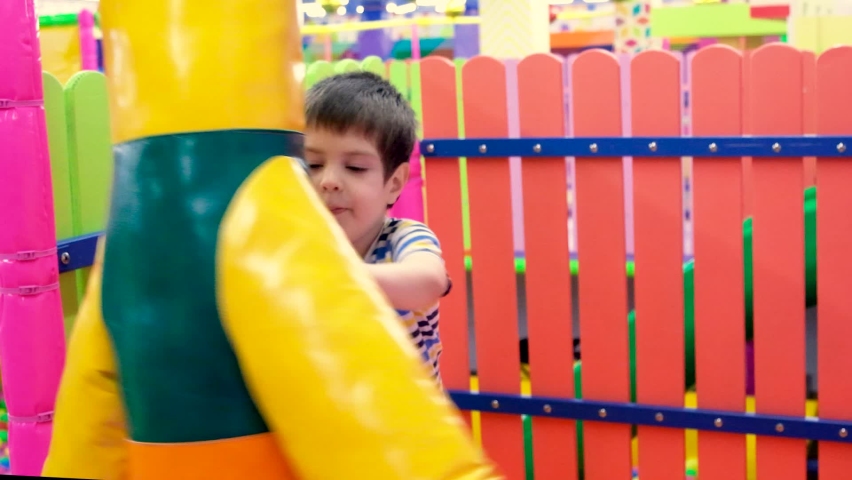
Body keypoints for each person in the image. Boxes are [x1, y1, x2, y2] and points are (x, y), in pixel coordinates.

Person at [304, 72, 451, 383]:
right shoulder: (299, 242)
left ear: (394, 184)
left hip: (404, 422)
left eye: (355, 168)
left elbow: (428, 281)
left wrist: (333, 276)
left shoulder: (403, 236)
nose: (328, 181)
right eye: (313, 165)